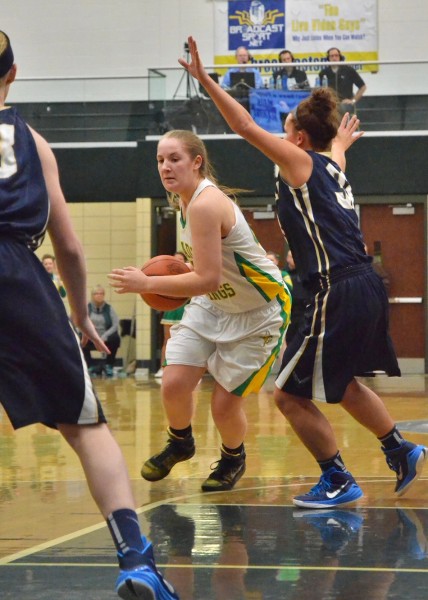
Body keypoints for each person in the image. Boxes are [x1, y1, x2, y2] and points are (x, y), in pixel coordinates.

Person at [178, 36, 427, 509]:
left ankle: (338, 479)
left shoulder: (299, 162)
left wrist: (207, 80)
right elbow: (337, 153)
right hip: (363, 285)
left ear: (296, 139)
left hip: (336, 289)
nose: (278, 131)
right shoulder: (332, 165)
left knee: (288, 396)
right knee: (346, 384)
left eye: (285, 126)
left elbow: (245, 124)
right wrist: (341, 141)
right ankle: (401, 449)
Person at [0, 31, 178, 600]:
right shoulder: (35, 143)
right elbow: (71, 249)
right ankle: (136, 560)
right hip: (17, 277)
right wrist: (78, 313)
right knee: (86, 426)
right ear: (13, 73)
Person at [109, 129, 291, 493]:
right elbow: (205, 280)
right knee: (174, 383)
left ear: (197, 162)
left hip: (258, 309)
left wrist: (148, 284)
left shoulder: (207, 204)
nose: (165, 167)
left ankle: (232, 456)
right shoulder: (182, 200)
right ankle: (181, 441)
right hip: (214, 304)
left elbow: (206, 278)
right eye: (160, 160)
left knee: (223, 406)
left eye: (174, 158)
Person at [155, 252, 189, 379]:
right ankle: (163, 368)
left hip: (185, 308)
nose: (178, 261)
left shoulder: (191, 274)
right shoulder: (166, 274)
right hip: (171, 309)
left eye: (180, 259)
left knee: (186, 341)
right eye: (175, 259)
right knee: (168, 340)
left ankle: (187, 372)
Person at [83, 284, 121, 377]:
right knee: (80, 338)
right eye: (97, 293)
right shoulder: (86, 308)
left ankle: (109, 365)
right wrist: (92, 336)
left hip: (105, 337)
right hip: (90, 337)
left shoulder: (109, 308)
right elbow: (81, 323)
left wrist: (104, 336)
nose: (99, 295)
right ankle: (90, 365)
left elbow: (115, 324)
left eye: (101, 293)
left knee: (115, 338)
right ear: (92, 295)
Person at [284, 249, 313, 345]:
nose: (294, 259)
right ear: (287, 259)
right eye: (291, 257)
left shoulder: (306, 273)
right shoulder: (284, 274)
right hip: (291, 313)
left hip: (305, 312)